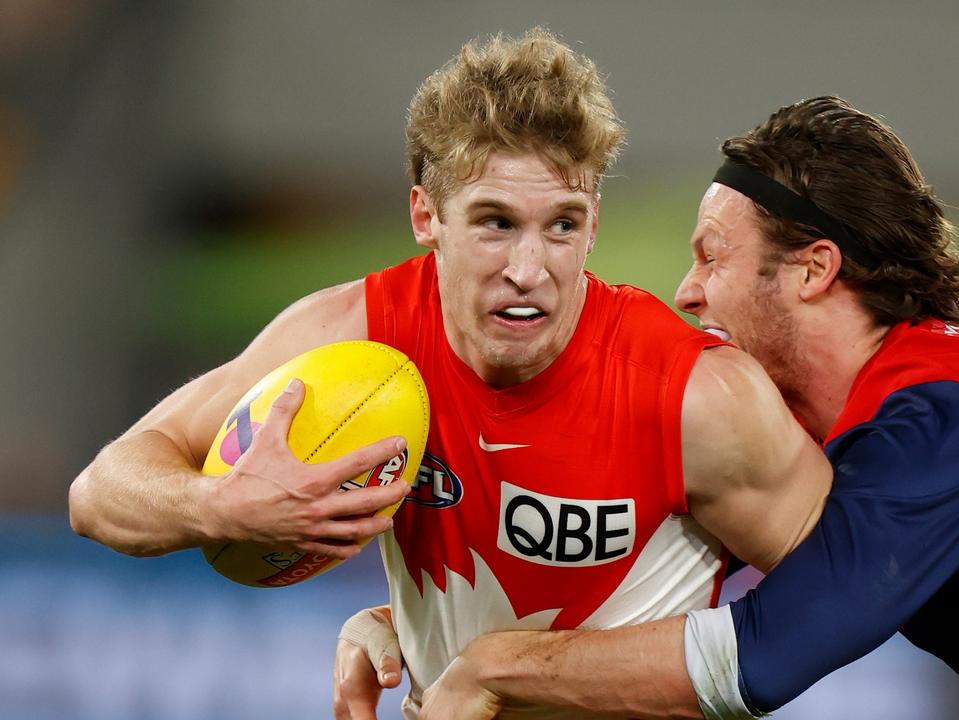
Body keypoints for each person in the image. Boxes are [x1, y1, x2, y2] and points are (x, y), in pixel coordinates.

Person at [336, 96, 959, 719]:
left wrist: (494, 665)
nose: (687, 292)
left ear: (814, 270)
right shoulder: (911, 406)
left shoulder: (944, 420)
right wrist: (425, 627)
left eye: (712, 255)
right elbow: (671, 586)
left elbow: (753, 661)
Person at [66, 30, 833, 720]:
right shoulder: (353, 339)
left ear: (594, 222)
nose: (530, 270)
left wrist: (510, 670)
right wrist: (220, 505)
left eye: (562, 225)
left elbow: (843, 597)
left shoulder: (696, 395)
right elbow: (100, 494)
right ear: (425, 215)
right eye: (495, 222)